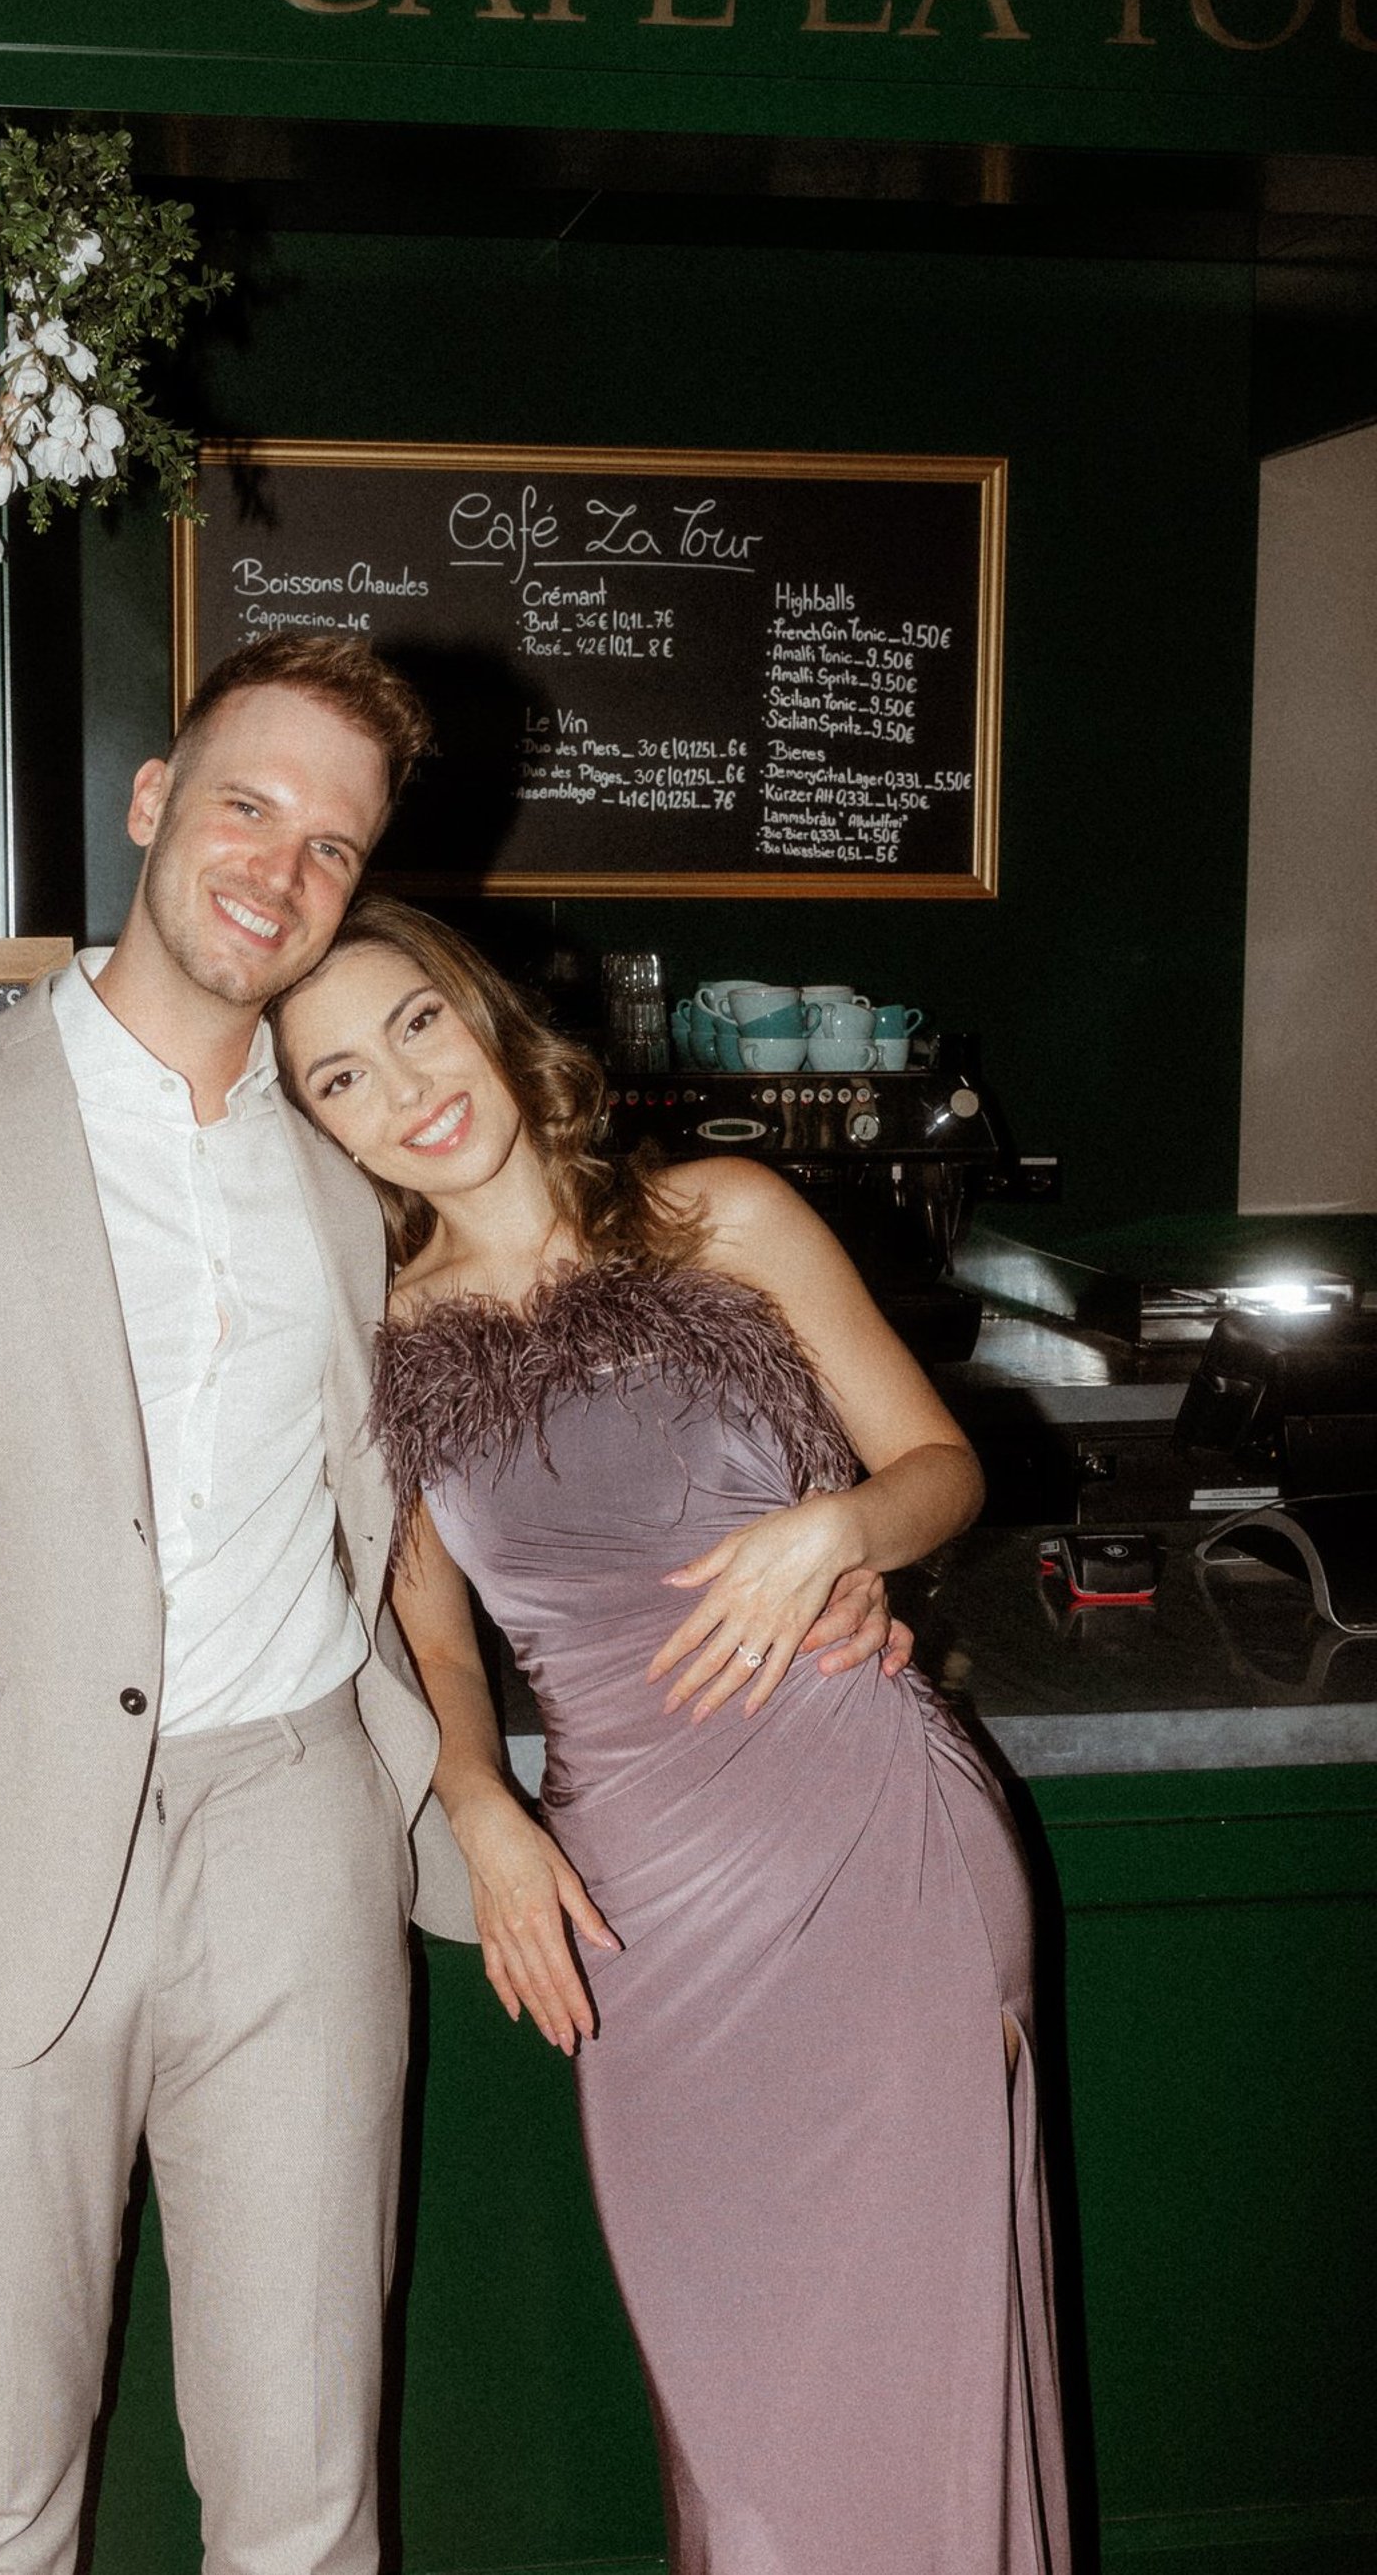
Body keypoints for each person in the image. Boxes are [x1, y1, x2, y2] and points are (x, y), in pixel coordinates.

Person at [0, 631, 908, 2575]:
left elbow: (491, 1487)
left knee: (305, 2489)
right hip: (0, 1866)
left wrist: (840, 1563)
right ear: (152, 803)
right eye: (247, 805)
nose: (280, 866)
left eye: (334, 843)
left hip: (300, 1832)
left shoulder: (354, 1170)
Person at [277, 894, 1069, 2575]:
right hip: (644, 1900)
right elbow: (433, 1633)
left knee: (920, 2385)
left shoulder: (726, 1213)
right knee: (742, 2432)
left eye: (416, 1021)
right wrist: (484, 1807)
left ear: (480, 1008)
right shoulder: (380, 1334)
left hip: (873, 1856)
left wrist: (841, 1531)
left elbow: (946, 1469)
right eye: (339, 1076)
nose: (405, 1085)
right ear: (316, 1125)